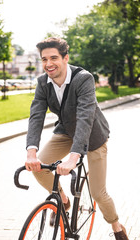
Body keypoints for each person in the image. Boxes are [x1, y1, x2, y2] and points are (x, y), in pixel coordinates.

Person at [25, 37, 129, 240]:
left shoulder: (83, 78)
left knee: (99, 193)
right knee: (39, 168)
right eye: (44, 59)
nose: (48, 64)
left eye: (54, 57)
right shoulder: (42, 83)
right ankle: (63, 200)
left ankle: (117, 227)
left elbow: (85, 117)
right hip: (65, 131)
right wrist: (31, 152)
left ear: (66, 58)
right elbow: (36, 116)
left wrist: (73, 157)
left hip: (93, 135)